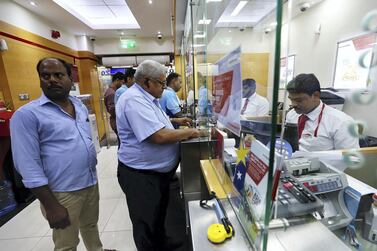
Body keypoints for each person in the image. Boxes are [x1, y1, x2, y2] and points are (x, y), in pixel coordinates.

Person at [10, 57, 114, 251]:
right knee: (67, 242)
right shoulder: (27, 115)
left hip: (90, 182)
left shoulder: (79, 106)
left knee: (90, 225)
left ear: (70, 78)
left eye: (58, 75)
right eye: (45, 76)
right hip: (61, 192)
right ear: (40, 79)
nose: (52, 80)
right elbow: (27, 166)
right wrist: (51, 206)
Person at [116, 60, 203, 251]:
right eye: (162, 83)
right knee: (146, 223)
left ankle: (162, 242)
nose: (165, 87)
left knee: (159, 216)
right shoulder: (133, 100)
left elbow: (154, 121)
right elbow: (158, 135)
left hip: (157, 174)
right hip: (141, 176)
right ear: (147, 82)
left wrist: (174, 120)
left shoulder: (147, 97)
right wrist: (190, 132)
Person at [285, 73, 359, 152]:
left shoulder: (342, 123)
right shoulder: (292, 115)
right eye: (291, 99)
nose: (293, 104)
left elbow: (351, 159)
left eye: (299, 100)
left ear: (316, 95)